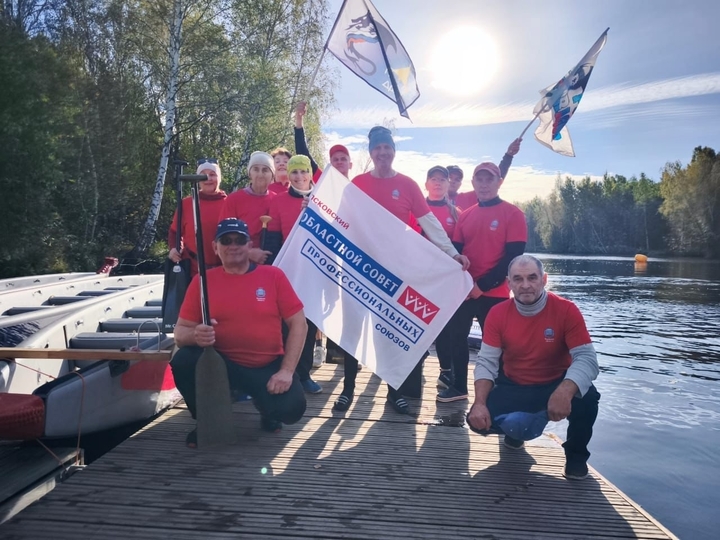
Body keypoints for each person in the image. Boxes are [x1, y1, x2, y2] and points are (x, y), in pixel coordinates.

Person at [335, 126, 469, 415]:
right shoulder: (357, 183)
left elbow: (430, 223)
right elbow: (340, 221)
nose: (382, 152)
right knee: (352, 330)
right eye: (377, 148)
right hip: (358, 270)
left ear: (394, 151)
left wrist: (452, 253)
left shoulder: (407, 185)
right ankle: (347, 390)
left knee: (389, 333)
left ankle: (393, 393)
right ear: (371, 153)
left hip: (393, 274)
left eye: (387, 147)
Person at [170, 218, 308, 448]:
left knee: (291, 409)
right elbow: (179, 333)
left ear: (249, 245)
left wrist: (286, 371)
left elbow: (299, 324)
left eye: (239, 240)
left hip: (265, 365)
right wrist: (196, 335)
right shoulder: (202, 281)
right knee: (183, 360)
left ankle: (266, 409)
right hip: (221, 365)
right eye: (226, 240)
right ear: (215, 247)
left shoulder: (273, 276)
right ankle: (207, 419)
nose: (233, 246)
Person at [467, 254, 600, 480]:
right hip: (514, 383)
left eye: (532, 278)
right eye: (518, 279)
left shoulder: (567, 310)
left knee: (587, 400)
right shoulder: (497, 314)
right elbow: (487, 362)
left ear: (544, 279)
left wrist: (565, 390)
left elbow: (587, 358)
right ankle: (514, 434)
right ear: (509, 283)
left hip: (555, 382)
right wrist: (479, 403)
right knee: (479, 422)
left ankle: (576, 457)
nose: (525, 285)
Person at [437, 161, 527, 403]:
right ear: (473, 183)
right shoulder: (466, 216)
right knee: (456, 338)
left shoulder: (513, 214)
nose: (485, 184)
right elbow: (456, 253)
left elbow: (513, 259)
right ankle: (458, 387)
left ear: (499, 182)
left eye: (490, 179)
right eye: (480, 179)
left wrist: (482, 286)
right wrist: (464, 285)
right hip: (465, 291)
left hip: (495, 293)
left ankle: (501, 390)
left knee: (498, 344)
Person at [265, 154, 323, 394]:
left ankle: (303, 374)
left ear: (310, 173)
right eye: (294, 172)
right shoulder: (278, 201)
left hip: (315, 271)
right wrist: (271, 272)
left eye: (303, 171)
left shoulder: (322, 199)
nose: (299, 176)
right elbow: (272, 240)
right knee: (285, 325)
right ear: (288, 175)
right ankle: (282, 371)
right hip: (287, 273)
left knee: (308, 323)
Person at [424, 165, 461, 391]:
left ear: (449, 185)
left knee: (445, 326)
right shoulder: (416, 208)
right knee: (417, 320)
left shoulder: (456, 213)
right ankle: (413, 365)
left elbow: (461, 247)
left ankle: (446, 370)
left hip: (445, 280)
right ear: (426, 184)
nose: (437, 183)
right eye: (433, 179)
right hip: (418, 277)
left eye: (442, 179)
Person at [168, 159, 227, 276]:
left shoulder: (230, 203)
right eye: (203, 175)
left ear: (219, 178)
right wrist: (174, 248)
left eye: (212, 174)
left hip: (224, 268)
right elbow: (174, 232)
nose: (208, 178)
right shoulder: (186, 204)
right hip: (192, 269)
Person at [218, 151, 275, 263]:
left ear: (272, 175)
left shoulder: (276, 200)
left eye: (265, 170)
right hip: (239, 263)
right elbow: (223, 235)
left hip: (270, 262)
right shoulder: (234, 199)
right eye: (256, 169)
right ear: (249, 173)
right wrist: (248, 253)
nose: (260, 174)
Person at [448, 138, 522, 210]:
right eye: (450, 177)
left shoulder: (468, 198)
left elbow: (496, 177)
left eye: (457, 179)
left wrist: (508, 156)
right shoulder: (439, 199)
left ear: (460, 183)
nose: (453, 181)